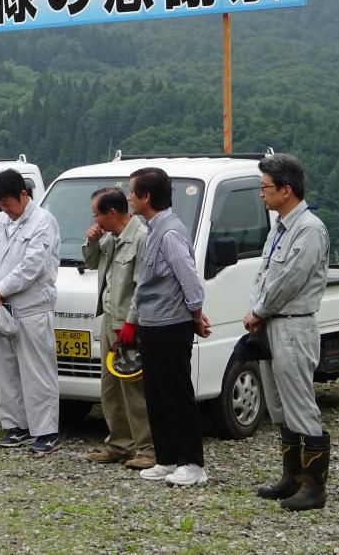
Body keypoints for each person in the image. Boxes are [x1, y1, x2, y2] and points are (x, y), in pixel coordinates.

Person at [244, 153, 331, 511]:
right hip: (271, 323)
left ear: (286, 189)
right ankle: (292, 477)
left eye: (265, 187)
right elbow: (264, 275)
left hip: (293, 324)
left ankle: (314, 487)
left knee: (299, 403)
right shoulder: (280, 227)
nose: (261, 193)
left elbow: (289, 280)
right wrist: (256, 311)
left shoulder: (309, 230)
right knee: (279, 405)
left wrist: (259, 310)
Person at [129, 167, 211, 486]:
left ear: (147, 197)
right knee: (157, 394)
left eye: (132, 192)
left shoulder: (170, 233)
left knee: (176, 394)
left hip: (171, 325)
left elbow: (189, 279)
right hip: (153, 323)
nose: (128, 198)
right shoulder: (153, 230)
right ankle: (166, 458)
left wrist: (196, 315)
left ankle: (192, 463)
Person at [0, 169, 61, 456]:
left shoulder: (43, 222)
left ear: (23, 195)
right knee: (7, 371)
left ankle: (47, 431)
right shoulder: (1, 221)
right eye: (0, 204)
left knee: (37, 372)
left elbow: (32, 266)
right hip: (1, 308)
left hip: (32, 307)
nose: (5, 209)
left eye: (9, 203)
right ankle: (17, 426)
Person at [82, 188, 154, 470]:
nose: (95, 220)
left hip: (128, 323)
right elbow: (91, 263)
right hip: (108, 318)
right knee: (110, 388)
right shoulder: (111, 237)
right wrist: (91, 242)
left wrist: (131, 324)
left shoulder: (141, 238)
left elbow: (142, 287)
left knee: (134, 388)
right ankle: (119, 444)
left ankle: (147, 448)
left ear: (111, 213)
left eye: (96, 214)